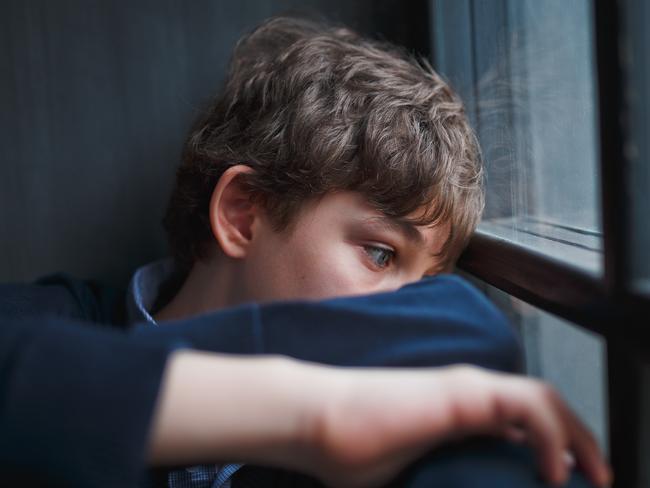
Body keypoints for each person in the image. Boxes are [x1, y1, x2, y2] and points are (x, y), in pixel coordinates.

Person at [0, 16, 611, 488]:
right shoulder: (49, 325)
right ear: (243, 213)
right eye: (379, 254)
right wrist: (313, 414)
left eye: (428, 278)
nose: (408, 307)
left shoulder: (403, 419)